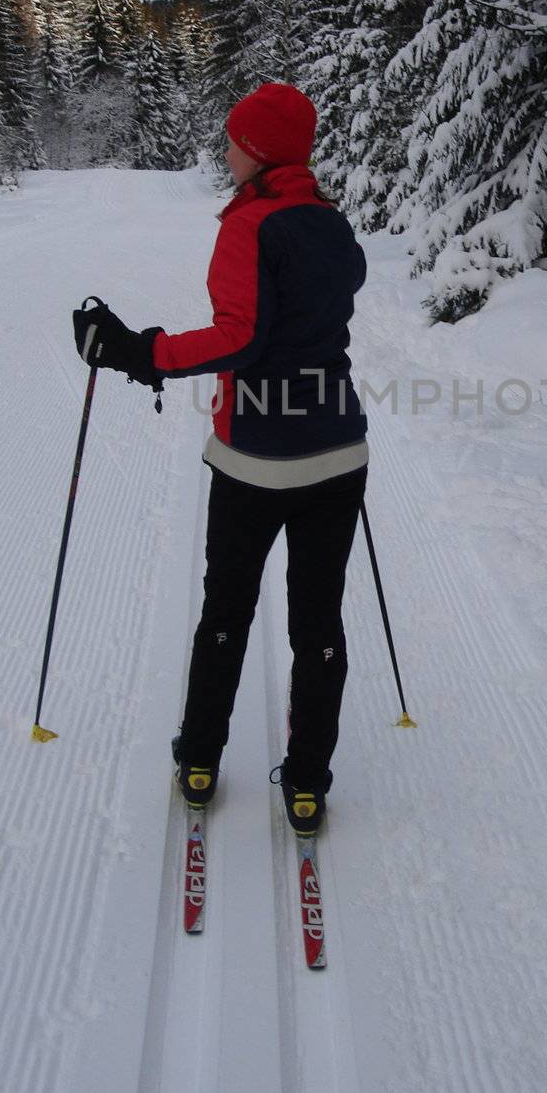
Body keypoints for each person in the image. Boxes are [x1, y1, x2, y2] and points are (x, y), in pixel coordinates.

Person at [72, 83, 368, 835]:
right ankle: (307, 784)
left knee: (227, 614)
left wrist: (141, 353)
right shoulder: (330, 223)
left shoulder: (251, 225)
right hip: (339, 449)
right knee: (319, 624)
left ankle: (199, 761)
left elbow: (239, 338)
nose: (226, 148)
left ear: (262, 151)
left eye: (236, 138)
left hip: (257, 458)